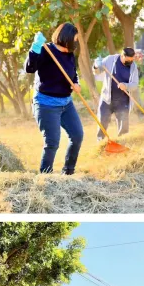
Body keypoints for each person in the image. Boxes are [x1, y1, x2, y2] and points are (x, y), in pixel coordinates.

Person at [25, 23, 84, 175]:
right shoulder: (46, 51)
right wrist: (35, 48)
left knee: (77, 136)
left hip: (66, 103)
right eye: (75, 40)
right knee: (52, 142)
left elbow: (73, 73)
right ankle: (45, 177)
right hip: (46, 104)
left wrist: (76, 83)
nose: (76, 43)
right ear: (67, 38)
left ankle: (68, 172)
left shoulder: (69, 54)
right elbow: (30, 68)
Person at [93, 47, 138, 140]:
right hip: (107, 99)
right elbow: (97, 72)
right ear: (123, 56)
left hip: (123, 101)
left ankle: (122, 144)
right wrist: (96, 66)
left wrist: (126, 86)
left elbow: (134, 85)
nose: (131, 62)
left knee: (124, 126)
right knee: (102, 122)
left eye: (132, 60)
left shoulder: (133, 67)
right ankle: (100, 142)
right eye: (128, 60)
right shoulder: (110, 59)